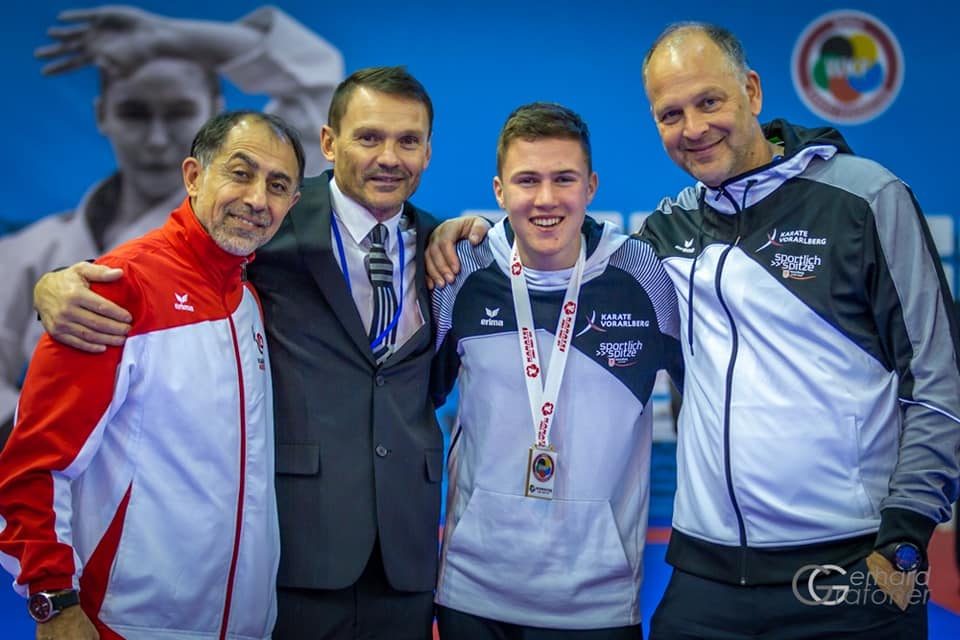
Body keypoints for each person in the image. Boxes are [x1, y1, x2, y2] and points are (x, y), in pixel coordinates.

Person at [426, 21, 960, 640]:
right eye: (671, 114)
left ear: (752, 91)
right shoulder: (665, 238)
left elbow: (938, 378)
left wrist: (904, 537)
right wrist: (457, 233)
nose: (694, 127)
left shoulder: (865, 199)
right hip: (706, 574)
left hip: (848, 563)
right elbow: (565, 249)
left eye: (709, 101)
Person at [31, 66, 488, 640]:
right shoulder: (269, 219)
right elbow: (171, 260)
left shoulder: (446, 247)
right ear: (329, 143)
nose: (388, 158)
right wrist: (56, 284)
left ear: (428, 152)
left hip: (407, 552)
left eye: (408, 141)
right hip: (294, 552)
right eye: (369, 137)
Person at [0, 110, 305, 639]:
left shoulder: (249, 303)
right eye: (240, 173)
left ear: (293, 203)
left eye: (277, 186)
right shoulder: (115, 290)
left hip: (245, 626)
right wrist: (54, 600)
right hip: (125, 624)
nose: (258, 199)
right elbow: (33, 466)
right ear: (193, 176)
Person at [0, 4, 342, 442]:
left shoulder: (244, 229)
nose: (157, 138)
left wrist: (171, 37)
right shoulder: (27, 253)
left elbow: (317, 82)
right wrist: (50, 425)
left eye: (180, 112)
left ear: (214, 111)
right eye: (134, 113)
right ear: (102, 114)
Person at [430, 102, 682, 638]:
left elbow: (705, 397)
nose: (546, 199)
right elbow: (414, 399)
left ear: (591, 186)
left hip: (598, 599)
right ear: (499, 191)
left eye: (564, 179)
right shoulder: (461, 270)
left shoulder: (645, 275)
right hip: (472, 590)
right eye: (527, 180)